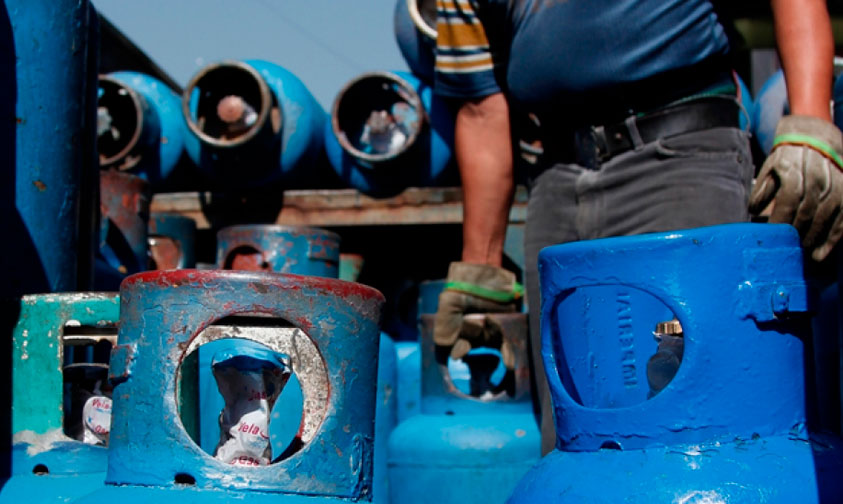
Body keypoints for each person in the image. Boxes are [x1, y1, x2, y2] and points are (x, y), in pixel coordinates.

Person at [431, 0, 843, 455]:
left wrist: (811, 126)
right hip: (555, 180)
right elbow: (480, 108)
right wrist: (481, 272)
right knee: (572, 437)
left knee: (697, 426)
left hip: (678, 152)